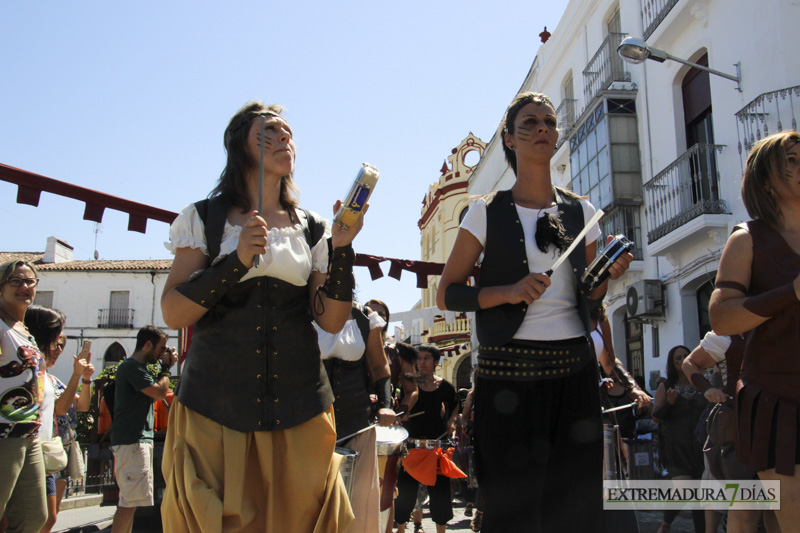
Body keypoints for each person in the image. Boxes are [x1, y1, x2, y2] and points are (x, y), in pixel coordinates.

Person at [160, 101, 364, 532]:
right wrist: (234, 261)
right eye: (268, 132)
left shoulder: (310, 227)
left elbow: (330, 321)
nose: (283, 138)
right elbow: (173, 311)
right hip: (214, 407)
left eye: (287, 132)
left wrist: (342, 251)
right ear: (240, 146)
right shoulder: (206, 218)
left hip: (300, 404)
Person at [437, 92, 632, 532]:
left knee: (576, 503)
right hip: (508, 379)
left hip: (574, 374)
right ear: (510, 138)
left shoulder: (582, 212)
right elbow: (447, 294)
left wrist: (608, 274)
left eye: (549, 121)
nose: (542, 128)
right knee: (512, 509)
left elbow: (591, 297)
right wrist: (506, 292)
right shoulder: (485, 212)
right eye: (529, 123)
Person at [709, 130, 800, 531]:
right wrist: (792, 292)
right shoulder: (748, 240)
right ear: (765, 179)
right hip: (777, 402)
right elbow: (722, 318)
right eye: (792, 161)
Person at [314, 301, 397, 533]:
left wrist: (385, 405)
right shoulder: (299, 307)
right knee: (309, 509)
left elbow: (380, 366)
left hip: (357, 426)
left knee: (357, 511)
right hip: (309, 425)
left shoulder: (364, 317)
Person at [682, 331, 770, 533]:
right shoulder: (727, 336)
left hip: (781, 425)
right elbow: (690, 363)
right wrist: (707, 388)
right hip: (737, 430)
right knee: (743, 507)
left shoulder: (783, 327)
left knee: (778, 508)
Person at [23, 306, 94, 533]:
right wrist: (76, 374)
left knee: (49, 517)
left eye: (62, 345)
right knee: (40, 516)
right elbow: (61, 408)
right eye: (56, 342)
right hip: (35, 451)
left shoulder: (51, 378)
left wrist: (85, 379)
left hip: (52, 452)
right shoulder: (30, 371)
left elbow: (81, 405)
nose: (58, 349)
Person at [109, 325, 176, 533]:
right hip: (132, 441)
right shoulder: (132, 368)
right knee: (128, 503)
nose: (162, 353)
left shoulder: (138, 369)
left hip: (136, 440)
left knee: (131, 502)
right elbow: (159, 393)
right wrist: (166, 369)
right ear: (147, 344)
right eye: (161, 348)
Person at [0, 260, 48, 533]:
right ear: (1, 286)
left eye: (30, 281)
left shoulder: (22, 329)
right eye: (15, 281)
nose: (24, 287)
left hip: (28, 433)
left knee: (33, 517)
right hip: (4, 433)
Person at [394, 344, 460, 533]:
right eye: (419, 358)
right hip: (411, 446)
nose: (422, 362)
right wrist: (400, 414)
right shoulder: (407, 383)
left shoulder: (444, 386)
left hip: (436, 447)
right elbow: (397, 402)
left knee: (440, 493)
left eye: (426, 358)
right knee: (405, 492)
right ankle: (400, 529)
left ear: (436, 362)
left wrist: (453, 420)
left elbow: (456, 404)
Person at [651, 345, 706, 533]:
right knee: (684, 488)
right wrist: (669, 403)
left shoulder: (700, 383)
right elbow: (656, 417)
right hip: (675, 445)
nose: (682, 360)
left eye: (685, 356)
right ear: (672, 364)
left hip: (698, 445)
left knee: (699, 494)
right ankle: (665, 523)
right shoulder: (666, 386)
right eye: (678, 358)